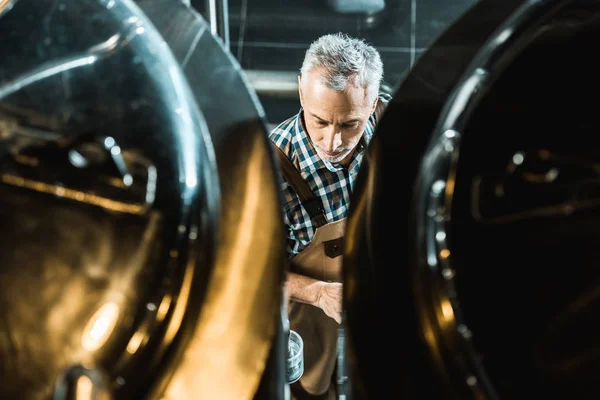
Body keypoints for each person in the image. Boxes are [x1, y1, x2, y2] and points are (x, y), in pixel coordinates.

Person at [269, 32, 391, 399]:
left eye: (349, 124)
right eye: (320, 121)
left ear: (371, 106)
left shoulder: (389, 123)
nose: (333, 142)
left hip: (374, 293)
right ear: (302, 94)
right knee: (313, 387)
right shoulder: (271, 173)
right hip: (310, 317)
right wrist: (319, 293)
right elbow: (253, 275)